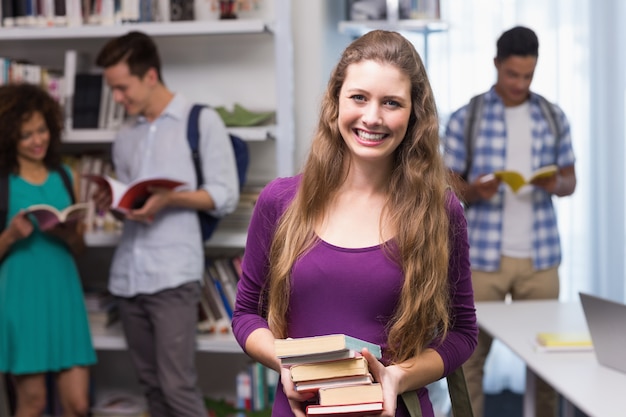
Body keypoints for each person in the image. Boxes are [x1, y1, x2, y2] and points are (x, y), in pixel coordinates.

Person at [232, 30, 478, 417]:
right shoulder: (280, 202)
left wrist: (399, 377)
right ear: (335, 102)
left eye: (392, 103)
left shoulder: (440, 211)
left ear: (414, 114)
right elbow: (246, 314)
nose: (372, 117)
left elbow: (462, 333)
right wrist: (285, 365)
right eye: (359, 97)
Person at [93, 31, 239, 417]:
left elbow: (224, 194)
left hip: (173, 275)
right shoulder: (124, 137)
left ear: (151, 76)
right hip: (128, 277)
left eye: (122, 88)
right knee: (151, 387)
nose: (119, 99)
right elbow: (131, 203)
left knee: (177, 386)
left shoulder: (200, 121)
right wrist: (114, 203)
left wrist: (171, 198)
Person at [442, 26, 577, 417]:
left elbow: (570, 180)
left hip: (541, 258)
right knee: (469, 360)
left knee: (547, 366)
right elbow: (446, 186)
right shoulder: (467, 117)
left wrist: (557, 183)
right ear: (497, 65)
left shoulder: (553, 116)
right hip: (481, 259)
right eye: (512, 74)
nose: (520, 83)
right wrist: (474, 191)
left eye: (528, 76)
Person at [0, 83, 96, 417]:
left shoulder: (64, 175)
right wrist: (10, 236)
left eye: (41, 130)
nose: (37, 140)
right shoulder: (3, 181)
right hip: (20, 298)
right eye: (26, 135)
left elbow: (79, 247)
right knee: (32, 402)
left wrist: (70, 236)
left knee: (78, 404)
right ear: (10, 136)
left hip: (63, 293)